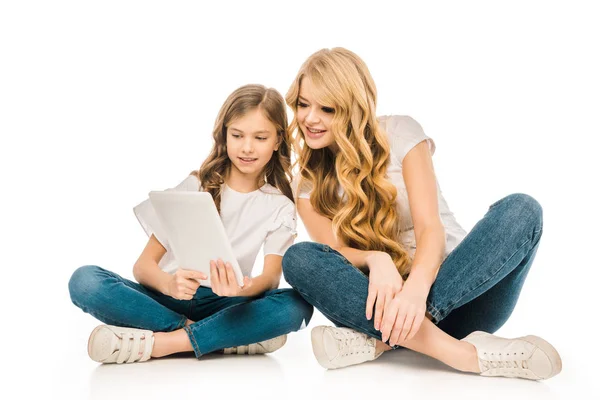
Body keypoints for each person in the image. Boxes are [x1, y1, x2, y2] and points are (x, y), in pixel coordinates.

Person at [281, 48, 562, 380]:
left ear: (353, 108)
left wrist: (415, 293)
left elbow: (431, 228)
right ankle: (466, 356)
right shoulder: (306, 185)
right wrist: (375, 259)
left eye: (327, 108)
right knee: (298, 257)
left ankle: (381, 343)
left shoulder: (401, 134)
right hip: (380, 305)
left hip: (462, 295)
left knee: (522, 209)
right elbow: (335, 252)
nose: (310, 119)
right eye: (303, 104)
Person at [69, 84, 313, 364]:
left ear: (278, 140)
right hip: (167, 298)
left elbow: (270, 278)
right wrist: (169, 284)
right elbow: (143, 266)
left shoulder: (280, 204)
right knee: (84, 280)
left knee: (296, 304)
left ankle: (166, 342)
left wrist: (241, 290)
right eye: (237, 135)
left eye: (260, 137)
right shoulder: (196, 185)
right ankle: (210, 336)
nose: (247, 147)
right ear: (224, 135)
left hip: (225, 302)